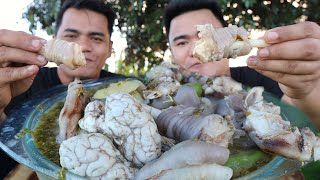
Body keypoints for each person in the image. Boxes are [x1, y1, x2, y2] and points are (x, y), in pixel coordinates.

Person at [0, 0, 125, 178]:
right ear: (54, 39)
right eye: (71, 36)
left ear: (110, 48)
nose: (82, 46)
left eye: (96, 38)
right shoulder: (18, 82)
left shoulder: (127, 91)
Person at [164, 0, 320, 129]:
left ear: (230, 40)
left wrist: (307, 89)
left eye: (207, 37)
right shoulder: (163, 98)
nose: (194, 51)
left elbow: (299, 112)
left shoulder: (264, 76)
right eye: (182, 42)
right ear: (171, 52)